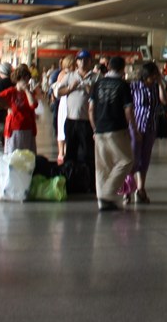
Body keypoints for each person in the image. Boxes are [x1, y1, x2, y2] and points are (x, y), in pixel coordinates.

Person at [89, 56, 136, 211]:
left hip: (100, 129)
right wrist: (134, 130)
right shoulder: (123, 85)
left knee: (102, 166)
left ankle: (103, 202)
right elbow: (128, 109)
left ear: (108, 67)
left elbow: (91, 109)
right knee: (126, 161)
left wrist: (94, 128)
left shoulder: (98, 84)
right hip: (117, 129)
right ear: (123, 68)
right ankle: (107, 194)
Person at [56, 51, 97, 183]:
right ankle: (69, 179)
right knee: (70, 151)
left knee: (88, 153)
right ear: (76, 62)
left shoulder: (96, 77)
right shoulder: (70, 76)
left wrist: (91, 90)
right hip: (71, 120)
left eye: (86, 60)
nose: (82, 62)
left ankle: (89, 181)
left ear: (90, 62)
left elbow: (101, 95)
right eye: (80, 59)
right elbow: (58, 92)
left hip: (86, 121)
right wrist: (70, 88)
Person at [128, 61, 163, 204]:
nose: (154, 77)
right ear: (145, 74)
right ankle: (127, 190)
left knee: (145, 158)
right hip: (136, 125)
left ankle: (141, 189)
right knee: (133, 159)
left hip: (151, 126)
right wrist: (132, 127)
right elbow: (128, 107)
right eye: (152, 75)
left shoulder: (155, 87)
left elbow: (165, 101)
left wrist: (161, 85)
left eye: (156, 75)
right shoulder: (134, 87)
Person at [0, 65, 39, 155]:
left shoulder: (29, 93)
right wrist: (6, 106)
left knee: (27, 155)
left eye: (28, 79)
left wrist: (26, 90)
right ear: (19, 79)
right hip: (14, 128)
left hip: (28, 127)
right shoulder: (10, 92)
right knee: (13, 155)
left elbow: (33, 105)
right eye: (25, 79)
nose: (26, 81)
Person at [50, 55, 74, 160]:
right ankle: (62, 152)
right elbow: (59, 90)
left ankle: (63, 152)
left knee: (63, 128)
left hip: (66, 103)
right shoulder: (64, 74)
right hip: (65, 103)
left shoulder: (65, 73)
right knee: (63, 128)